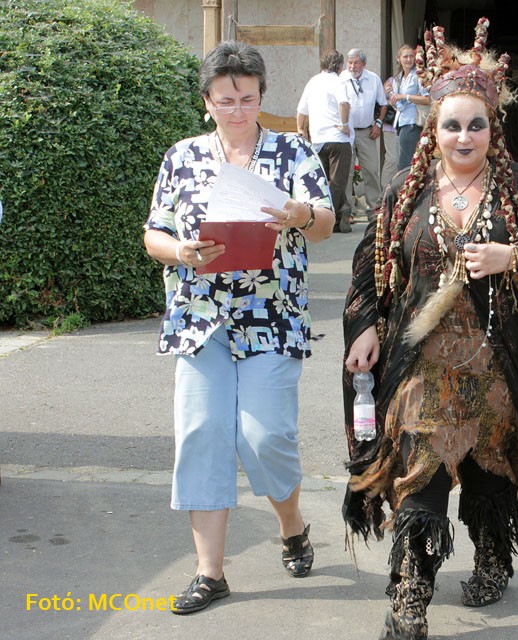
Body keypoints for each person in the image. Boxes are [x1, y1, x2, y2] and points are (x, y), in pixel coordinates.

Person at [341, 21, 518, 640]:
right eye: (451, 124)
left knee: (489, 475)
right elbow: (371, 268)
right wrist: (365, 328)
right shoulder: (406, 193)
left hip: (497, 365)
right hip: (421, 368)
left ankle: (491, 556)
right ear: (433, 127)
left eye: (475, 124)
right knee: (418, 477)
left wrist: (517, 256)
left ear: (493, 129)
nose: (463, 136)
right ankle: (410, 593)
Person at [143, 41, 335, 615]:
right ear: (207, 102)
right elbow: (153, 234)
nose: (237, 109)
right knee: (201, 433)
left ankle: (292, 524)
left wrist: (300, 215)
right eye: (225, 100)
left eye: (247, 99)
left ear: (261, 97)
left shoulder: (293, 152)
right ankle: (210, 573)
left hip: (271, 315)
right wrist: (181, 250)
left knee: (265, 436)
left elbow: (324, 221)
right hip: (201, 318)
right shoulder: (181, 158)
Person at [297, 49, 353, 233]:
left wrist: (300, 129)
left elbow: (301, 110)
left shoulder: (313, 81)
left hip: (318, 138)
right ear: (339, 66)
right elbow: (343, 103)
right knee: (338, 181)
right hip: (337, 138)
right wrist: (344, 124)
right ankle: (331, 220)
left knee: (323, 180)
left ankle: (342, 211)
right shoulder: (337, 81)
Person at [341, 48, 388, 222]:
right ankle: (347, 211)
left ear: (364, 64)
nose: (352, 66)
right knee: (346, 173)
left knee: (371, 170)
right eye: (350, 62)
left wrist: (379, 123)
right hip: (346, 133)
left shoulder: (373, 79)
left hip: (367, 131)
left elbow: (383, 104)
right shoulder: (341, 79)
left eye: (356, 63)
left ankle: (374, 208)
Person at [390, 44, 430, 171]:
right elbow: (398, 102)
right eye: (405, 56)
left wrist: (405, 96)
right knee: (401, 161)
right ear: (398, 59)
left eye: (411, 56)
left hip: (412, 122)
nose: (408, 59)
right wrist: (394, 100)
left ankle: (407, 189)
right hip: (400, 122)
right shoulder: (399, 77)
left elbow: (427, 99)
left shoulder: (418, 76)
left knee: (406, 164)